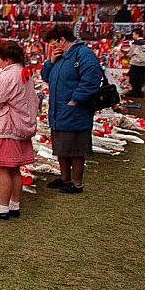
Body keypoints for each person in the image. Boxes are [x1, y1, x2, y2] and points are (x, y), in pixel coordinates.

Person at [0, 41, 40, 219]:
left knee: (3, 168)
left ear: (7, 59)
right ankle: (14, 204)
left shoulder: (8, 75)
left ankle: (2, 207)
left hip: (7, 126)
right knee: (15, 168)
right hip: (20, 125)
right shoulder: (24, 73)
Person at [41, 26, 103, 194]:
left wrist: (75, 100)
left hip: (75, 110)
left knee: (75, 149)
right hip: (58, 109)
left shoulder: (83, 54)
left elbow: (91, 79)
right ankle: (64, 179)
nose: (52, 48)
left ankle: (77, 183)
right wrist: (50, 62)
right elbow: (45, 76)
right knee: (61, 147)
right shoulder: (61, 57)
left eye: (54, 44)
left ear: (62, 40)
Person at [126, 28, 145, 97]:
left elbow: (130, 53)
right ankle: (140, 92)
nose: (133, 36)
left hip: (135, 63)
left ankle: (135, 92)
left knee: (134, 78)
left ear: (137, 34)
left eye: (133, 34)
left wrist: (127, 55)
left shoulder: (135, 43)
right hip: (144, 64)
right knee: (142, 78)